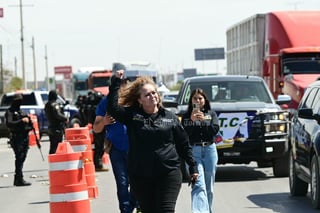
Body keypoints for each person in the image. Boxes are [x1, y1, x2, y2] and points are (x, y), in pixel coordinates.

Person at [106, 65, 199, 213]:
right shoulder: (132, 116)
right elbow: (112, 108)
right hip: (141, 175)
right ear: (140, 100)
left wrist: (192, 167)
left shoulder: (170, 117)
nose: (152, 96)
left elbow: (183, 144)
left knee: (166, 210)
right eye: (147, 94)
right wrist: (116, 82)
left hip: (168, 173)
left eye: (154, 93)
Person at [93, 76, 138, 213]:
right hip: (116, 149)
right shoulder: (106, 102)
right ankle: (126, 210)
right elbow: (96, 128)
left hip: (136, 149)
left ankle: (138, 206)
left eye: (127, 85)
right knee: (122, 183)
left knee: (137, 182)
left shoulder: (136, 101)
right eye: (121, 85)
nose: (124, 88)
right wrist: (104, 122)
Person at [181, 88, 220, 213]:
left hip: (209, 150)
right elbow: (183, 134)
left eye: (200, 98)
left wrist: (204, 121)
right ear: (191, 100)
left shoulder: (211, 114)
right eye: (195, 98)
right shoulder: (187, 116)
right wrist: (192, 122)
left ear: (205, 100)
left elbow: (214, 131)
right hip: (193, 151)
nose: (197, 100)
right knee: (198, 184)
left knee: (209, 187)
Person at [5, 93, 32, 186]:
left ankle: (19, 177)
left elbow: (29, 124)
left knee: (23, 157)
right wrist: (21, 121)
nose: (19, 103)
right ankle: (18, 178)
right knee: (19, 157)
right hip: (17, 137)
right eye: (18, 101)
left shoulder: (21, 111)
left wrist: (28, 121)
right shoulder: (10, 112)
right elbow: (9, 123)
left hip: (24, 137)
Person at [45, 90, 68, 154]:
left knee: (52, 147)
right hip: (57, 128)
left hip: (51, 127)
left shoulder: (47, 104)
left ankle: (52, 161)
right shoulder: (54, 104)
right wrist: (65, 118)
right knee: (57, 147)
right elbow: (57, 115)